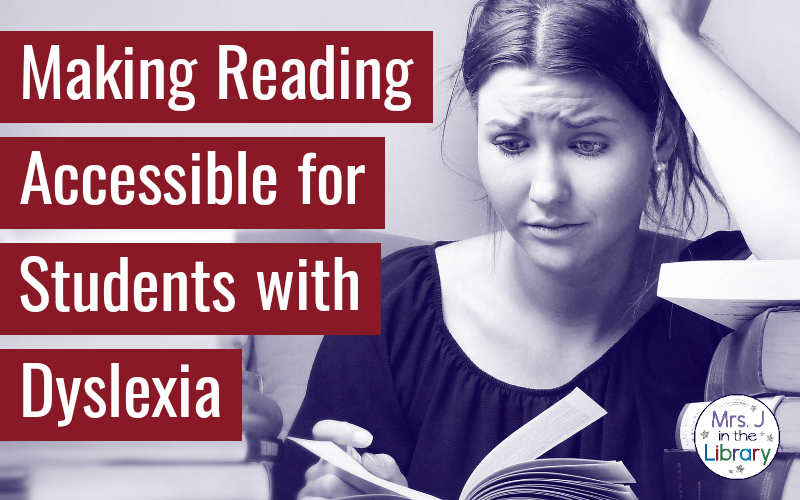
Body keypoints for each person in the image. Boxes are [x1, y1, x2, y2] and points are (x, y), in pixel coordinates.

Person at [271, 0, 800, 498]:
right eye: (511, 144)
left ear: (659, 136)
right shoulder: (393, 309)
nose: (547, 190)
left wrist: (674, 37)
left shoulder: (719, 301)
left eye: (587, 144)